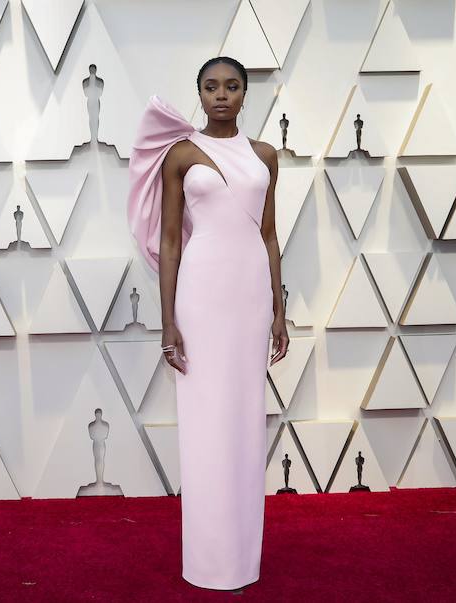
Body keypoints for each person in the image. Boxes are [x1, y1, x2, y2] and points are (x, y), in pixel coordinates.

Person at [127, 56, 289, 592]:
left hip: (249, 299)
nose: (221, 95)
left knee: (244, 421)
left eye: (232, 86)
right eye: (211, 86)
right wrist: (168, 319)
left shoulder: (265, 156)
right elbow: (172, 240)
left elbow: (268, 236)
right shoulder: (182, 154)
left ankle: (242, 559)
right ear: (199, 93)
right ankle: (207, 561)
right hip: (200, 296)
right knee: (204, 425)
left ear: (246, 94)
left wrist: (279, 310)